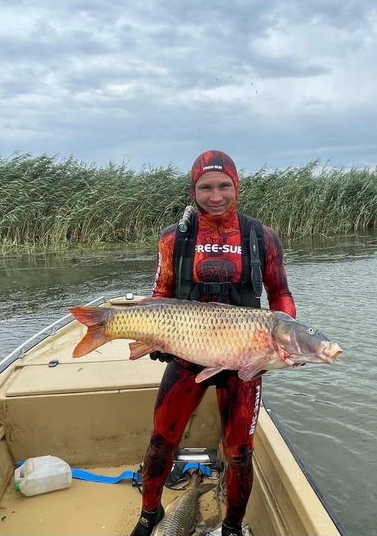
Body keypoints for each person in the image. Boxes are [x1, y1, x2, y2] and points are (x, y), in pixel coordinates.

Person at [130, 150, 296, 536]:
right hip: (189, 351)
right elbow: (161, 292)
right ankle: (149, 514)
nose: (216, 195)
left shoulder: (262, 237)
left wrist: (290, 336)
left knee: (239, 453)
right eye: (206, 187)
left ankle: (233, 527)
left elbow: (281, 294)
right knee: (161, 441)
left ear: (237, 187)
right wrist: (156, 333)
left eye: (224, 186)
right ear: (194, 190)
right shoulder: (175, 238)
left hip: (246, 357)